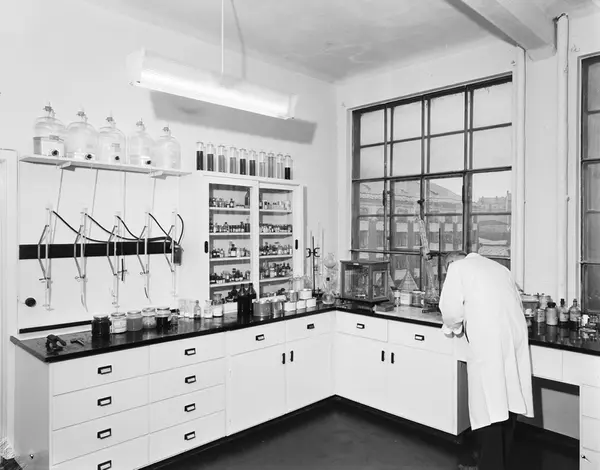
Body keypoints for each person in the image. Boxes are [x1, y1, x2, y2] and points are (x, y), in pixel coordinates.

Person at [439, 252, 534, 470]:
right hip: (515, 334)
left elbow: (450, 311)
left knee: (489, 404)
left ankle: (490, 465)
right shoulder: (500, 269)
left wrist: (454, 327)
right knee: (509, 399)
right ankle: (498, 463)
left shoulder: (457, 268)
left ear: (451, 263)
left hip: (489, 339)